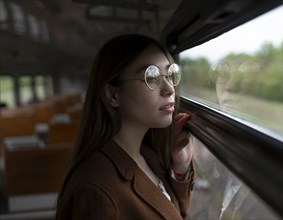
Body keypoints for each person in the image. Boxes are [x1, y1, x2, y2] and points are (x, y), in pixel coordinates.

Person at [55, 34, 195, 220]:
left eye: (170, 74)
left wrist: (180, 168)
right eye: (151, 77)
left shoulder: (147, 156)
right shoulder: (94, 189)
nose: (169, 89)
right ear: (112, 95)